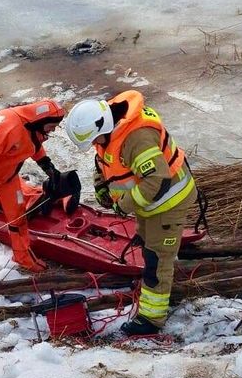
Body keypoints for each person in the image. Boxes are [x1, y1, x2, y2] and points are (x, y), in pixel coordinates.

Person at [64, 90, 197, 335]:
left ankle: (151, 320)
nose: (95, 145)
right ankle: (155, 288)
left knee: (158, 259)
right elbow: (104, 159)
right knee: (148, 247)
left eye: (95, 140)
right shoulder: (111, 127)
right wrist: (101, 186)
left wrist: (123, 204)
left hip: (169, 202)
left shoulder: (137, 138)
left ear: (103, 127)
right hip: (150, 204)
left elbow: (157, 179)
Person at [0, 99, 66, 285]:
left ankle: (22, 255)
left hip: (5, 174)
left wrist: (48, 166)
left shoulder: (34, 127)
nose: (53, 130)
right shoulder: (9, 126)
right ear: (41, 121)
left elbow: (33, 144)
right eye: (52, 126)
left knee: (18, 213)